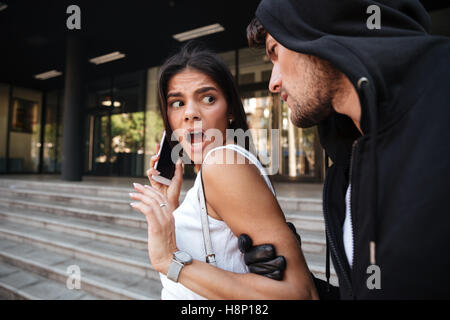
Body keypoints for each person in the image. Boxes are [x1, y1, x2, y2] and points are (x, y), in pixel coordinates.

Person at [240, 0, 450, 299]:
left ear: (319, 27)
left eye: (275, 52)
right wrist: (304, 281)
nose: (273, 83)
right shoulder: (349, 167)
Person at [129, 42, 318, 299]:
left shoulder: (222, 162)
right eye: (177, 103)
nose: (191, 113)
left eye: (208, 98)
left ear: (229, 110)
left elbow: (299, 294)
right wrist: (170, 207)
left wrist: (170, 261)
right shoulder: (213, 169)